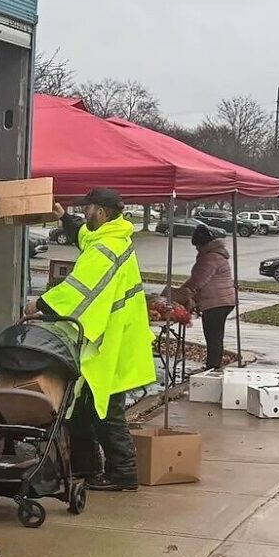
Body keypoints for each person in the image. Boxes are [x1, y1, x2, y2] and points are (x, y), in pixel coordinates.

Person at [25, 188, 156, 492]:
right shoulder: (110, 237)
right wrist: (63, 218)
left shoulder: (104, 249)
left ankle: (123, 473)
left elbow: (76, 290)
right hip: (116, 337)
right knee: (83, 408)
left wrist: (39, 306)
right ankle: (89, 467)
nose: (85, 214)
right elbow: (83, 235)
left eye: (89, 209)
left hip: (112, 342)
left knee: (106, 411)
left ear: (102, 212)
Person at [181, 224, 236, 370]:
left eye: (197, 245)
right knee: (216, 336)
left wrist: (179, 294)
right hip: (225, 300)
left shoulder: (209, 258)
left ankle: (212, 368)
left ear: (203, 244)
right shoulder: (217, 254)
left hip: (215, 303)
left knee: (213, 337)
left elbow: (197, 281)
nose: (196, 249)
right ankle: (214, 365)